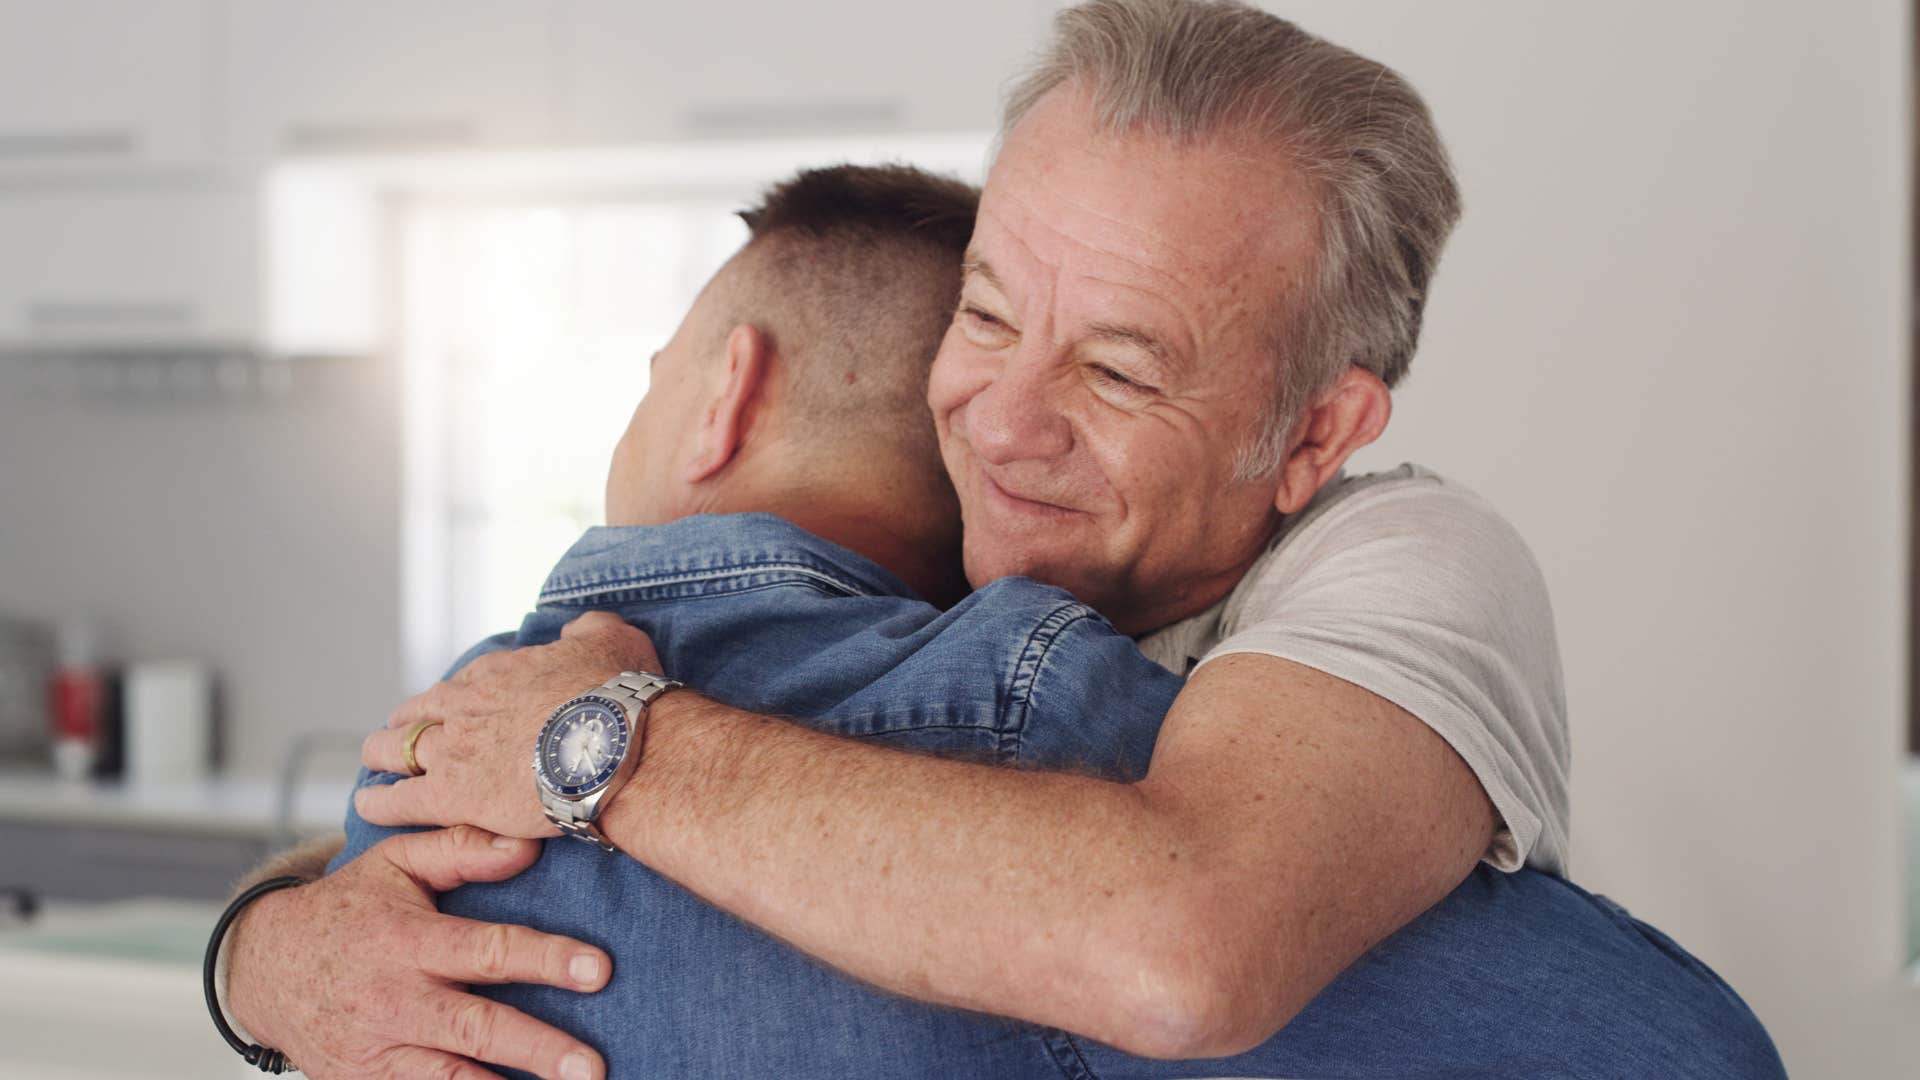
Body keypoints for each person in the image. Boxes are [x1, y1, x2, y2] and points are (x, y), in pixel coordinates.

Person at [225, 2, 1786, 1076]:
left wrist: (602, 743)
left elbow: (1178, 948)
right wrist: (273, 952)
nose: (998, 421)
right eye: (982, 318)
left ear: (1314, 433)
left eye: (1118, 372)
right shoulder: (913, 586)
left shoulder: (1403, 562)